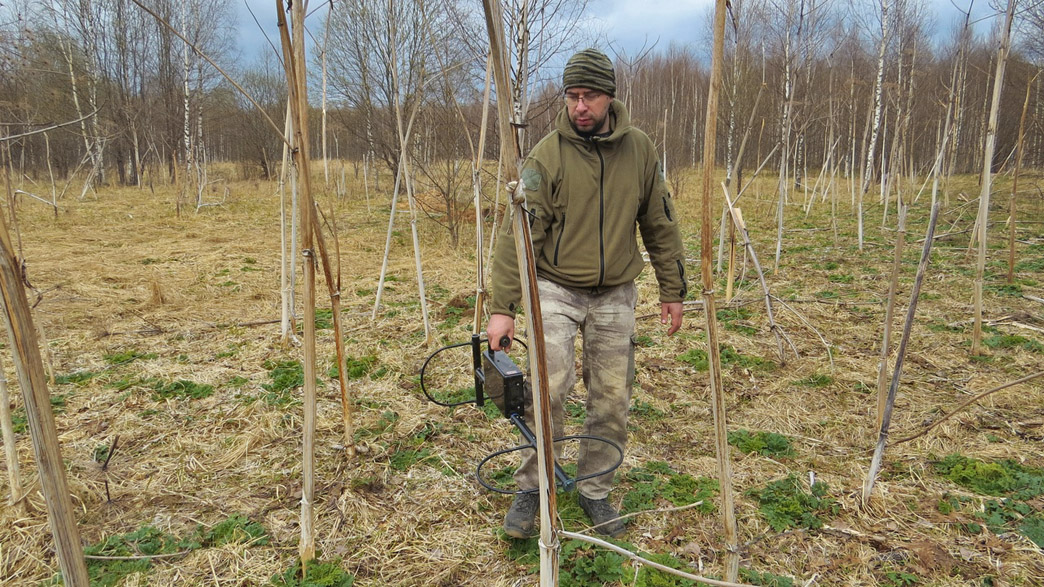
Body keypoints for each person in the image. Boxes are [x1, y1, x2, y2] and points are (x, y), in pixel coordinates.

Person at [486, 48, 687, 539]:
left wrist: (672, 288)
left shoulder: (640, 150)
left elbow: (659, 222)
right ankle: (533, 488)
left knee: (612, 398)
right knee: (547, 391)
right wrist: (502, 308)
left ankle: (596, 490)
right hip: (555, 288)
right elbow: (520, 236)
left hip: (616, 292)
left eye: (590, 96)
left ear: (610, 97)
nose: (580, 106)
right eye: (573, 96)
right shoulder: (546, 156)